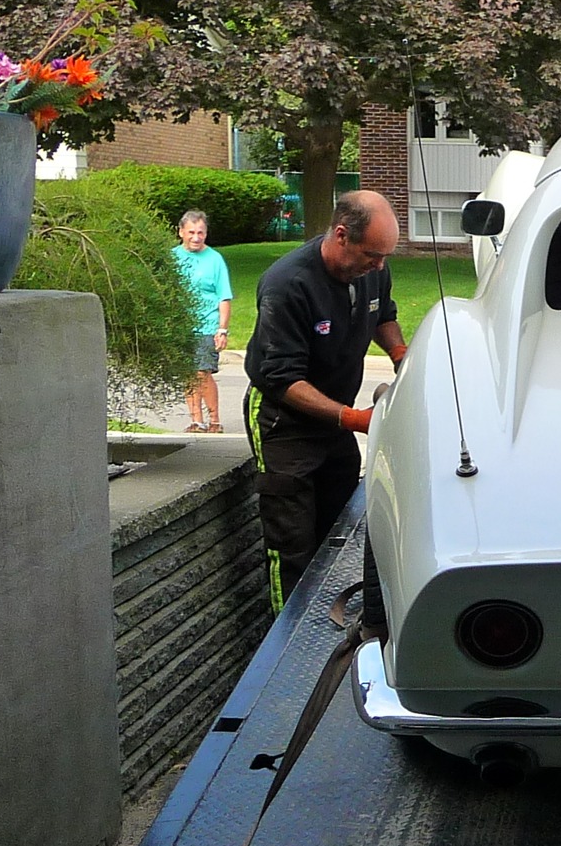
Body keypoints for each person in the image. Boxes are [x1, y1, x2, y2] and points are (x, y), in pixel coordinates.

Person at [243, 190, 407, 611]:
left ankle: (329, 617)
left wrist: (400, 356)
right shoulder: (288, 285)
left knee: (338, 526)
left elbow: (382, 314)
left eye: (385, 256)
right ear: (340, 235)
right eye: (373, 255)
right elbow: (283, 380)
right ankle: (284, 644)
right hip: (285, 423)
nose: (379, 265)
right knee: (292, 540)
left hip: (336, 420)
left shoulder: (371, 272)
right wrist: (354, 418)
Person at [171, 210, 233, 432]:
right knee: (189, 373)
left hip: (207, 325)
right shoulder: (172, 257)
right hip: (181, 326)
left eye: (201, 233)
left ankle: (214, 419)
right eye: (191, 232)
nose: (196, 237)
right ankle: (196, 420)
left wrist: (222, 329)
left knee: (202, 372)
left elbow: (224, 296)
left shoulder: (215, 259)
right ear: (181, 232)